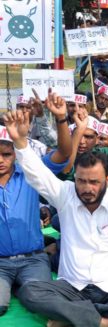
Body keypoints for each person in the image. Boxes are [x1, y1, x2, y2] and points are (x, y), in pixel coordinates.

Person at [11, 110, 108, 326]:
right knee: (30, 291)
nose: (86, 188)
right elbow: (38, 175)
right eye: (81, 181)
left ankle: (71, 317)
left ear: (107, 180)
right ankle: (103, 321)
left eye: (94, 182)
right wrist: (19, 142)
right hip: (72, 287)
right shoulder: (65, 194)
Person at [0, 93, 72, 317]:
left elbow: (63, 154)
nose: (0, 160)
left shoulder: (32, 173)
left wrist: (61, 119)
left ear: (16, 154)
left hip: (32, 260)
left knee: (41, 301)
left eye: (6, 154)